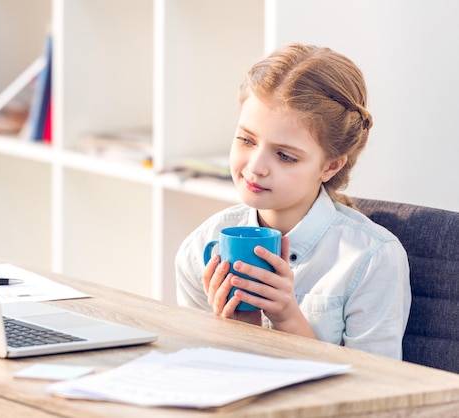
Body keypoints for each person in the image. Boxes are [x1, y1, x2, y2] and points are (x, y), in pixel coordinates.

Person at [175, 43, 411, 359]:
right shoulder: (200, 248)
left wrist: (287, 318)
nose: (255, 167)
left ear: (330, 166)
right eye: (246, 139)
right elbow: (193, 371)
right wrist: (233, 329)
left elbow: (380, 392)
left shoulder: (371, 259)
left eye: (285, 155)